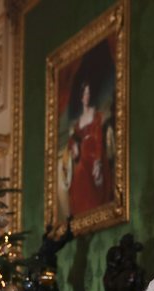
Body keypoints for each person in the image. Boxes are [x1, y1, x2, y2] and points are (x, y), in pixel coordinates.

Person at [65, 81, 112, 216]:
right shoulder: (78, 121)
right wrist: (74, 146)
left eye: (89, 93)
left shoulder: (95, 114)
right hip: (84, 155)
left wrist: (97, 161)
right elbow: (72, 139)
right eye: (85, 93)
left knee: (87, 173)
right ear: (81, 97)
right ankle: (81, 214)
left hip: (95, 153)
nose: (87, 96)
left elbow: (98, 137)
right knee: (79, 175)